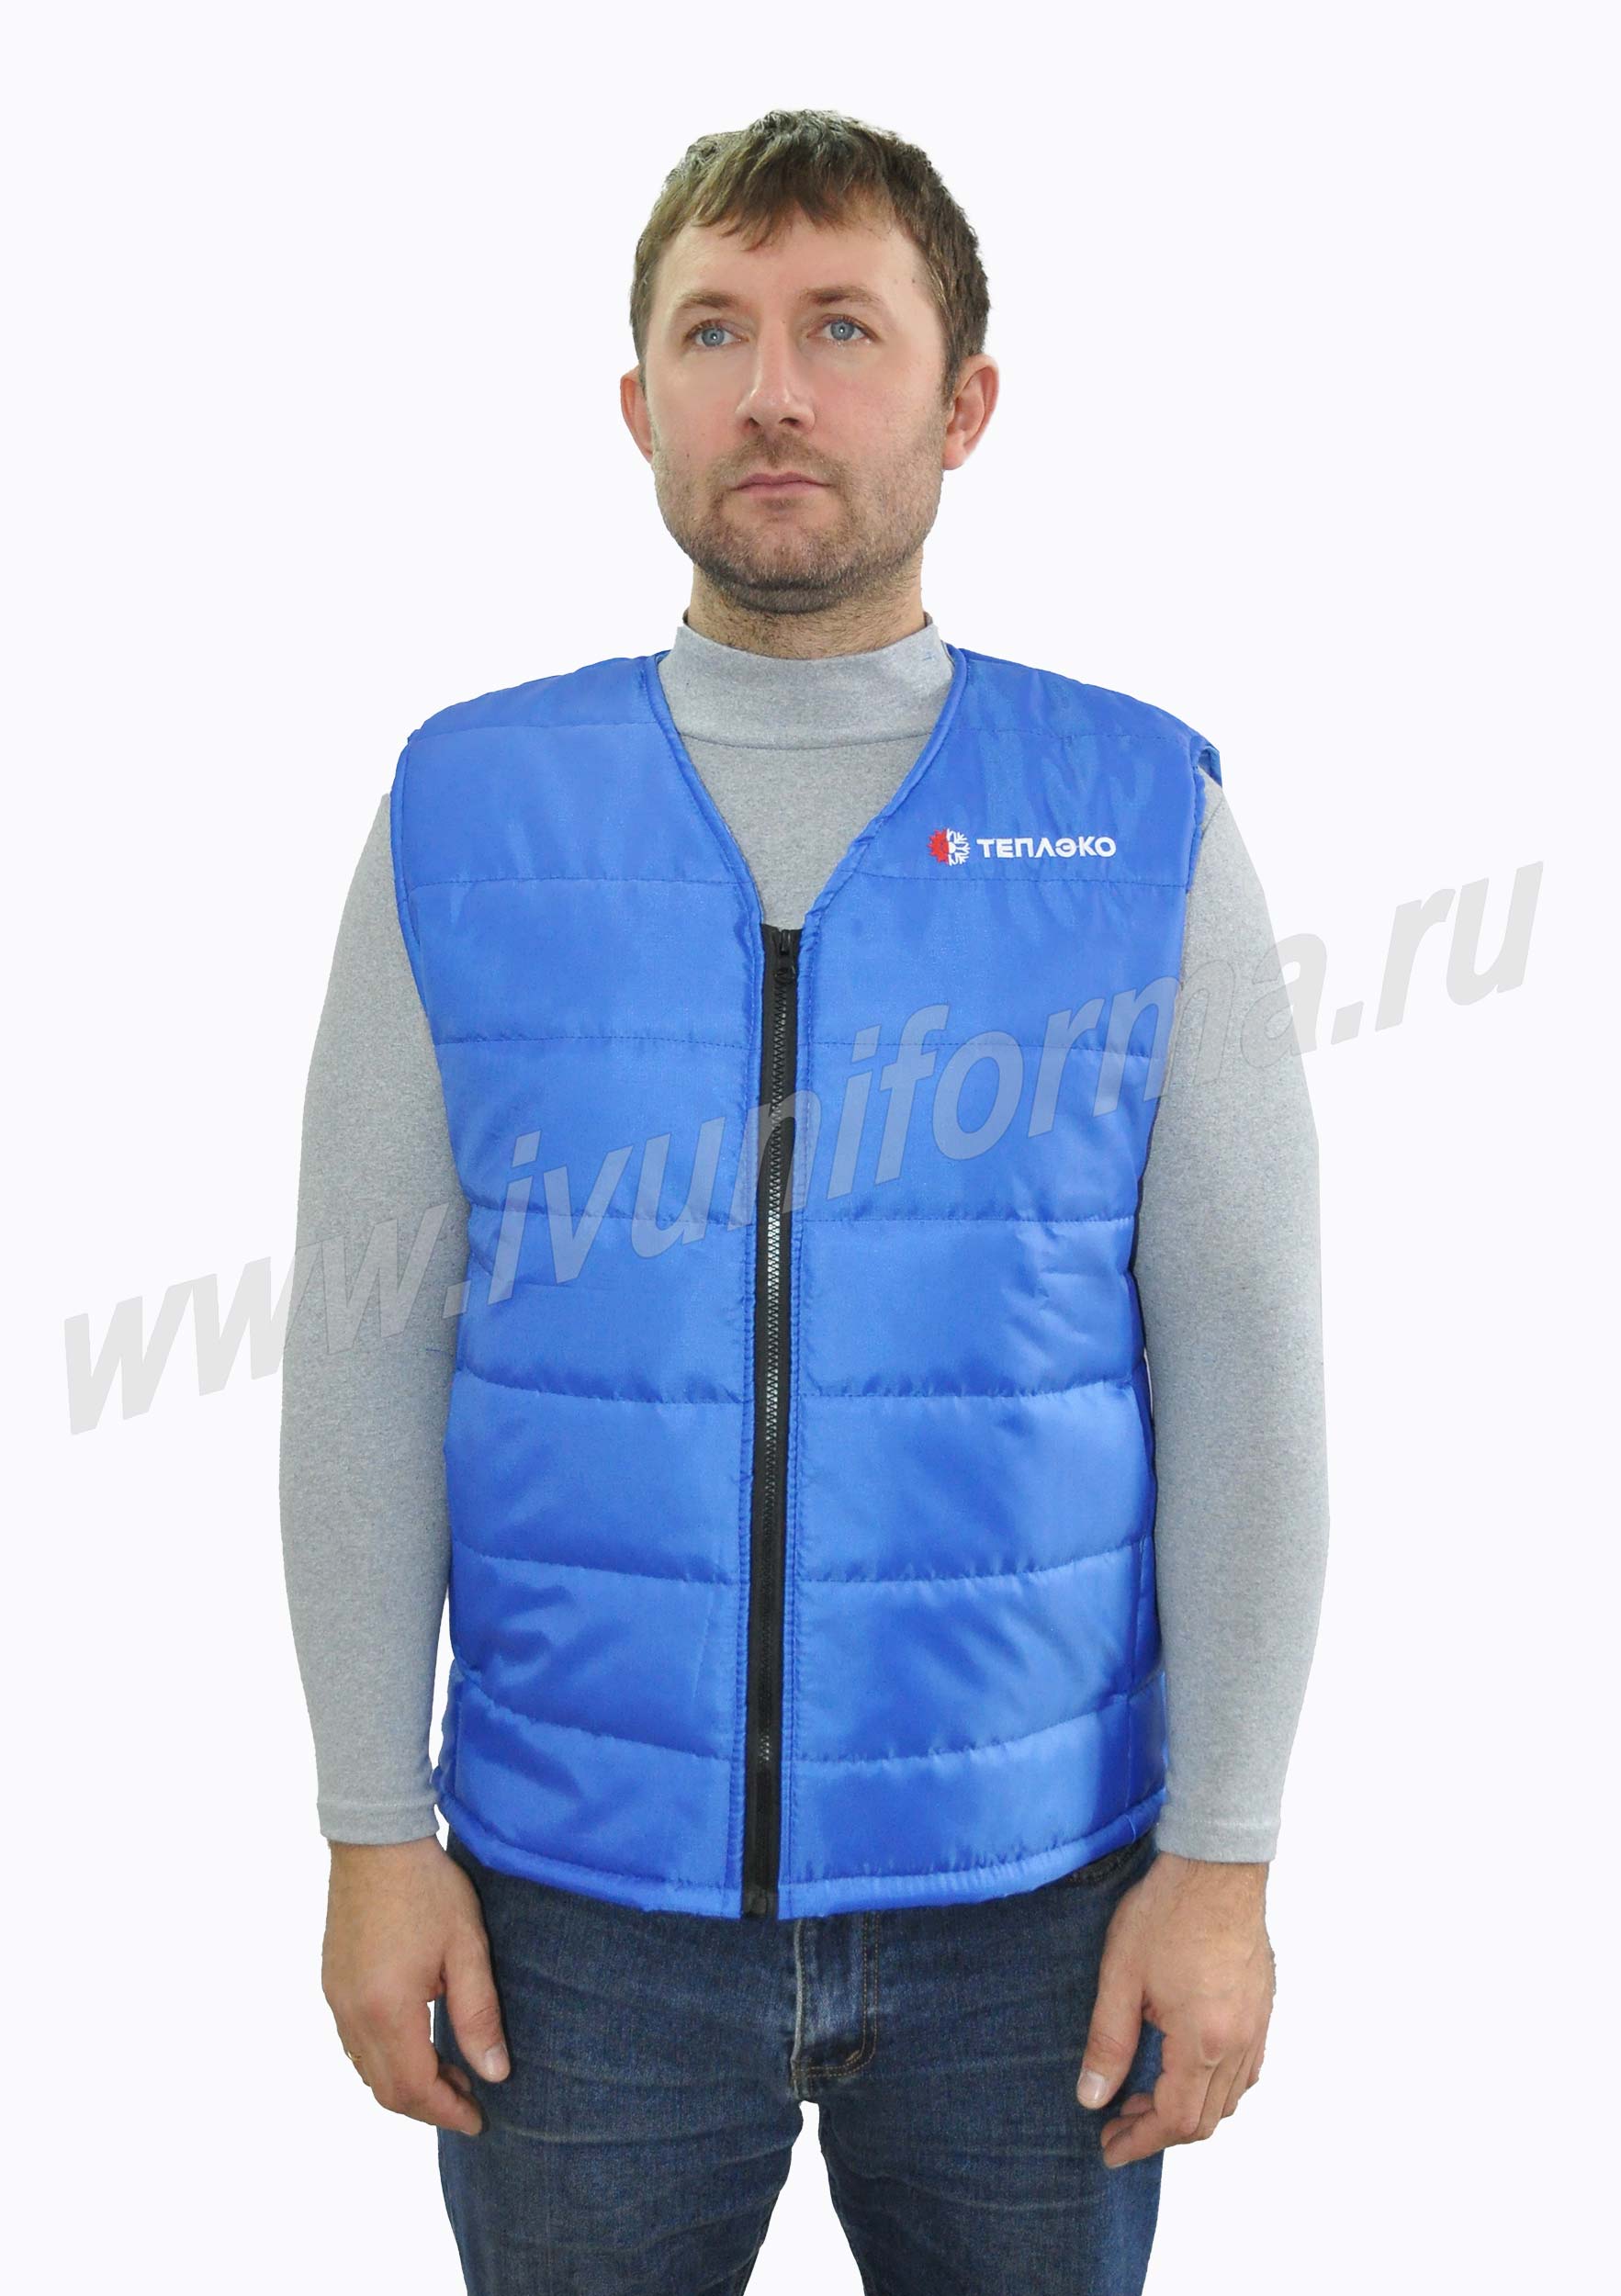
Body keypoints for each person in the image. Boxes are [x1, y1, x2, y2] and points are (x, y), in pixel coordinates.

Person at [280, 107, 1330, 2296]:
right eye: (714, 330)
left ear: (961, 403)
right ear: (635, 402)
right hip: (573, 1920)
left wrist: (1221, 1858)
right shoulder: (465, 807)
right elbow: (369, 1347)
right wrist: (374, 1826)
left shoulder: (1136, 810)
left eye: (842, 327)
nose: (773, 389)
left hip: (1038, 1907)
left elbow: (1240, 1350)